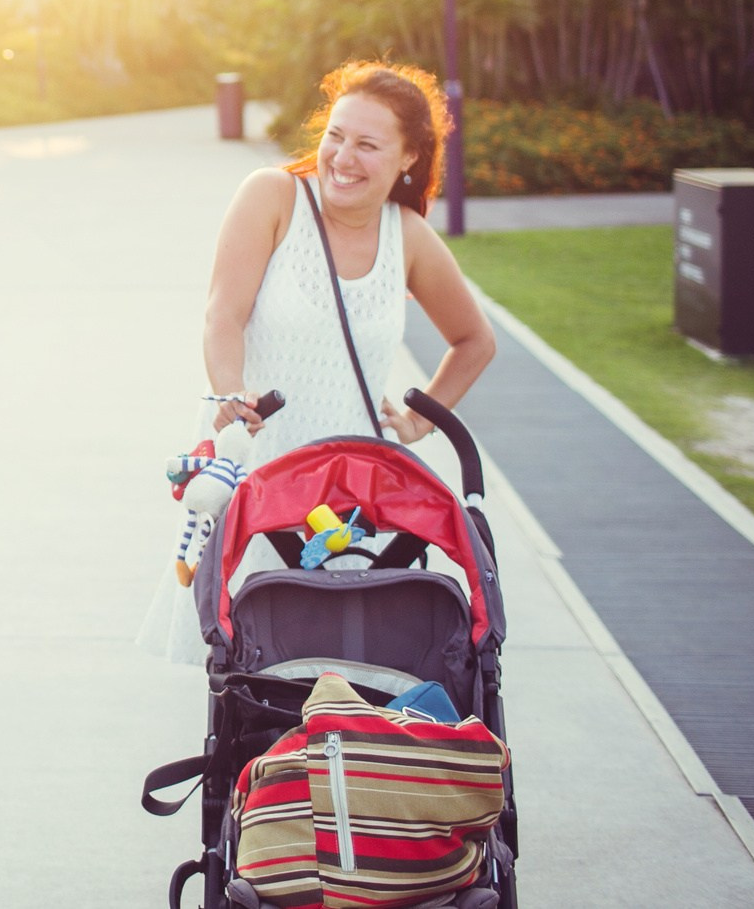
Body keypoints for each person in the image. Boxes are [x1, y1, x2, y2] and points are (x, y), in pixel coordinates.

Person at [139, 60, 495, 663]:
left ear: (408, 157)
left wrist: (418, 422)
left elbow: (474, 340)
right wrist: (232, 394)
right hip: (254, 463)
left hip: (346, 487)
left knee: (335, 656)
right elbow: (222, 314)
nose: (342, 157)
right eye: (335, 135)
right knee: (246, 655)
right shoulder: (273, 196)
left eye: (367, 144)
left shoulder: (406, 236)